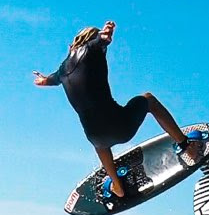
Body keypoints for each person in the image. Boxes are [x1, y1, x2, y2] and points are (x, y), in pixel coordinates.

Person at [34, 20, 199, 197]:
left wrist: (43, 81)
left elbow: (53, 79)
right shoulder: (91, 49)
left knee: (98, 143)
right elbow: (100, 42)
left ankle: (117, 186)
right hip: (120, 126)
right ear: (87, 39)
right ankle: (185, 145)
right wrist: (105, 34)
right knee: (149, 99)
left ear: (72, 44)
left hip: (96, 138)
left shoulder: (62, 70)